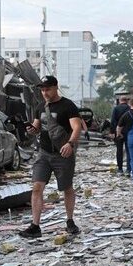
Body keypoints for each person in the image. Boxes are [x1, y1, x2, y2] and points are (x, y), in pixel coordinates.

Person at [20, 75, 82, 238]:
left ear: (55, 87)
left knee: (66, 188)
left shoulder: (68, 106)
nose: (45, 92)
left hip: (63, 153)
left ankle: (70, 220)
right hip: (44, 153)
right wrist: (31, 130)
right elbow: (37, 127)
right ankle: (35, 226)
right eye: (42, 90)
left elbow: (76, 127)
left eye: (48, 89)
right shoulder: (40, 107)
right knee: (37, 187)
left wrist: (70, 144)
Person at [110, 96, 131, 176]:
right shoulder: (130, 108)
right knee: (128, 151)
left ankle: (120, 169)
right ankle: (128, 170)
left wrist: (112, 132)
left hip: (118, 132)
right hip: (128, 132)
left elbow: (113, 120)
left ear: (119, 101)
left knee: (119, 150)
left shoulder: (116, 109)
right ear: (127, 101)